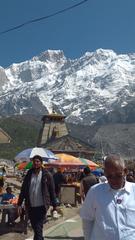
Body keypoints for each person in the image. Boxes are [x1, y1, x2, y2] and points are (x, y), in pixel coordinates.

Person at [80, 154, 135, 240]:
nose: (114, 180)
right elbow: (87, 220)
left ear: (125, 171)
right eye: (109, 176)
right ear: (105, 173)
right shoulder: (95, 192)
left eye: (118, 175)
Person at [17, 155, 57, 240]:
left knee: (38, 228)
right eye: (34, 161)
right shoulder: (29, 174)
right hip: (30, 206)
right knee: (36, 228)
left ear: (41, 163)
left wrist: (55, 206)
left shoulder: (47, 175)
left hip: (42, 206)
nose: (36, 163)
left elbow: (52, 191)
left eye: (38, 161)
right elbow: (23, 189)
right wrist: (19, 203)